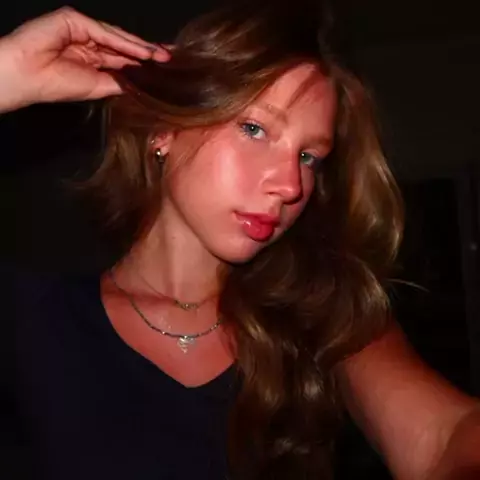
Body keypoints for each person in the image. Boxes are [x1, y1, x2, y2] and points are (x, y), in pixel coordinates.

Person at [1, 4, 479, 480]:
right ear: (164, 130)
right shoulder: (28, 320)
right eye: (255, 129)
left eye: (309, 157)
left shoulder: (323, 315)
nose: (290, 185)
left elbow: (443, 438)